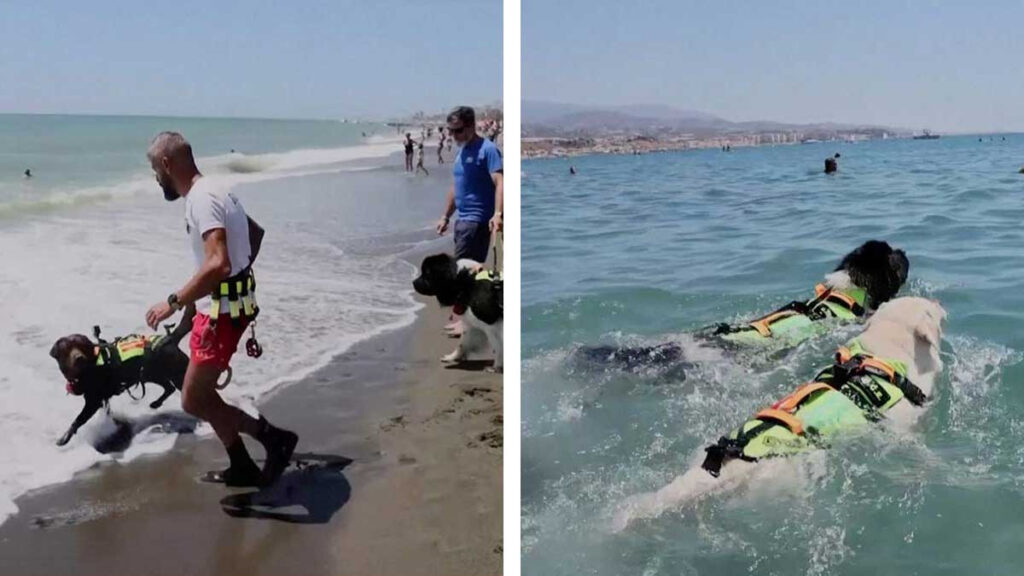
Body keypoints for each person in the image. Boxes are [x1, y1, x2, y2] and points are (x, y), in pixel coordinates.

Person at [144, 132, 298, 487]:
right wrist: (231, 285)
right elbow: (254, 234)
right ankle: (241, 464)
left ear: (167, 164)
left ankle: (273, 438)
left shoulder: (202, 199)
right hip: (227, 307)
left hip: (222, 316)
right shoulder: (214, 190)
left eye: (155, 171)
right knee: (200, 396)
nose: (156, 179)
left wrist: (173, 303)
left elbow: (218, 263)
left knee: (193, 400)